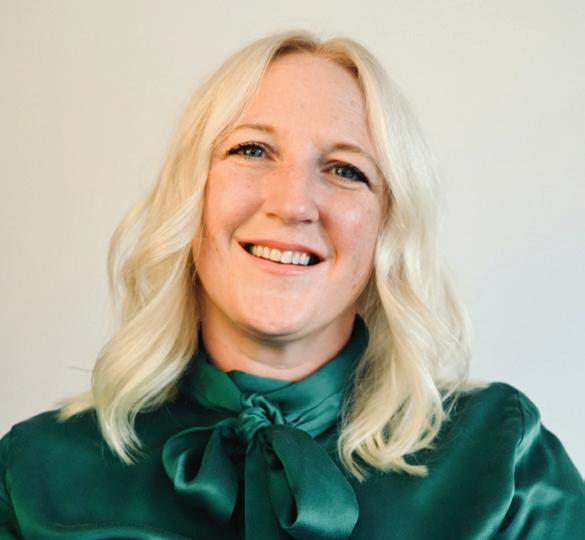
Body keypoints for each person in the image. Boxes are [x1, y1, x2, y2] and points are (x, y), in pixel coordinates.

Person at [1, 29, 583, 540]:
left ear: (388, 226)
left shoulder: (504, 466)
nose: (293, 203)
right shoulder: (32, 475)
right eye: (252, 150)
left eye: (346, 170)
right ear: (192, 194)